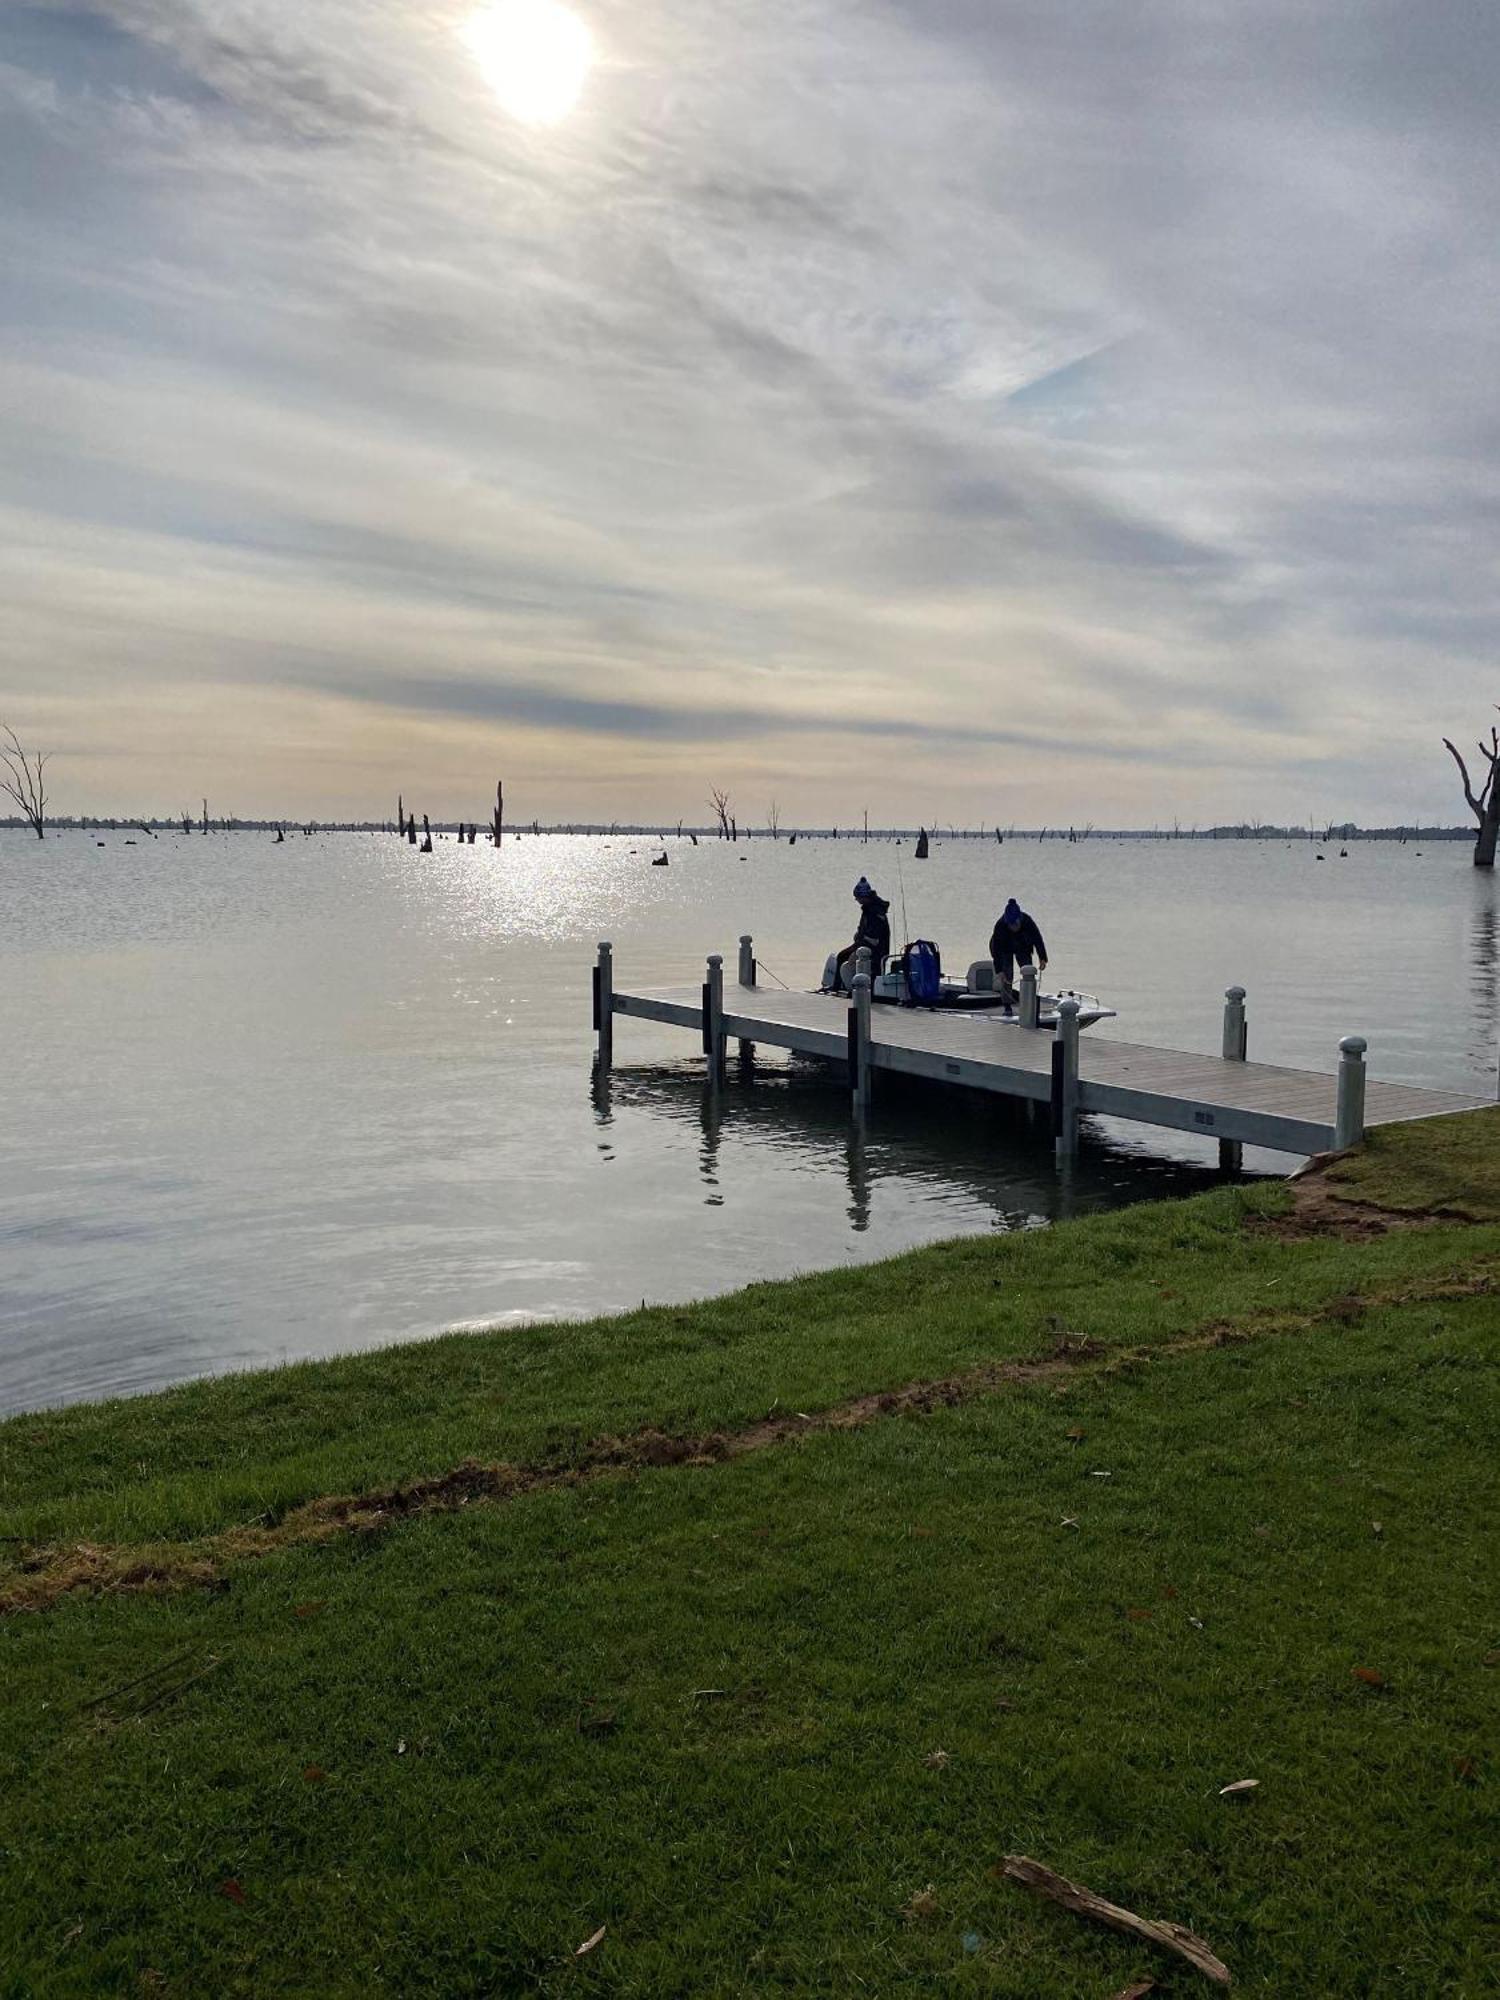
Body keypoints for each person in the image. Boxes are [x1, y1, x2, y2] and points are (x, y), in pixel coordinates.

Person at [827, 877, 891, 990]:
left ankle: (842, 988)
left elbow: (874, 937)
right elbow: (864, 929)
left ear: (864, 896)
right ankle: (838, 986)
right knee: (842, 956)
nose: (856, 900)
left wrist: (859, 941)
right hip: (863, 944)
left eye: (857, 897)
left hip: (874, 949)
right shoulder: (868, 909)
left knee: (843, 957)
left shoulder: (874, 911)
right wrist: (858, 935)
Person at [989, 897, 1047, 1005]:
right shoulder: (1000, 926)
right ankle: (1007, 1005)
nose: (1013, 927)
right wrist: (999, 970)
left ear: (1019, 919)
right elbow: (996, 951)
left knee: (1028, 972)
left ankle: (1029, 1001)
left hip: (1023, 946)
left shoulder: (1027, 921)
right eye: (1010, 925)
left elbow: (1037, 939)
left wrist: (1042, 958)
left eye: (1015, 924)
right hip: (1004, 949)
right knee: (1006, 976)